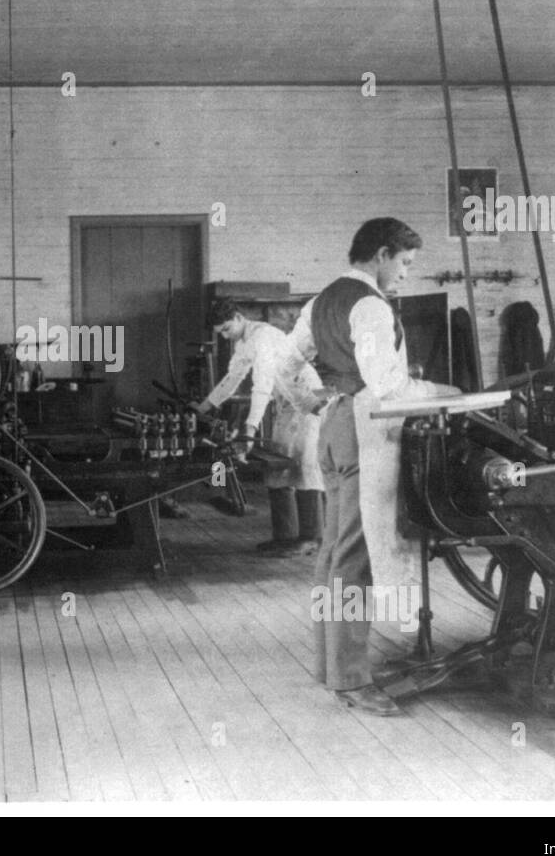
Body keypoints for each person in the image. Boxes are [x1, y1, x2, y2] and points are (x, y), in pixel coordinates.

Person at [282, 218, 458, 716]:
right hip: (365, 432)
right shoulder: (371, 307)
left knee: (333, 549)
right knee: (354, 556)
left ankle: (330, 665)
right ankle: (352, 679)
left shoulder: (321, 302)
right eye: (403, 264)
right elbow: (387, 387)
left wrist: (312, 401)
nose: (404, 275)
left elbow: (283, 367)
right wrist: (445, 394)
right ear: (380, 255)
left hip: (334, 427)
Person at [195, 299, 323, 554]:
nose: (224, 335)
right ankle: (284, 537)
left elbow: (262, 385)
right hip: (286, 402)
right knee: (279, 466)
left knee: (304, 465)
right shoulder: (244, 344)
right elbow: (232, 379)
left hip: (308, 400)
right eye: (221, 332)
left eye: (226, 328)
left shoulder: (263, 336)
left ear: (239, 317)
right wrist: (203, 408)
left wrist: (250, 429)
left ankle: (312, 538)